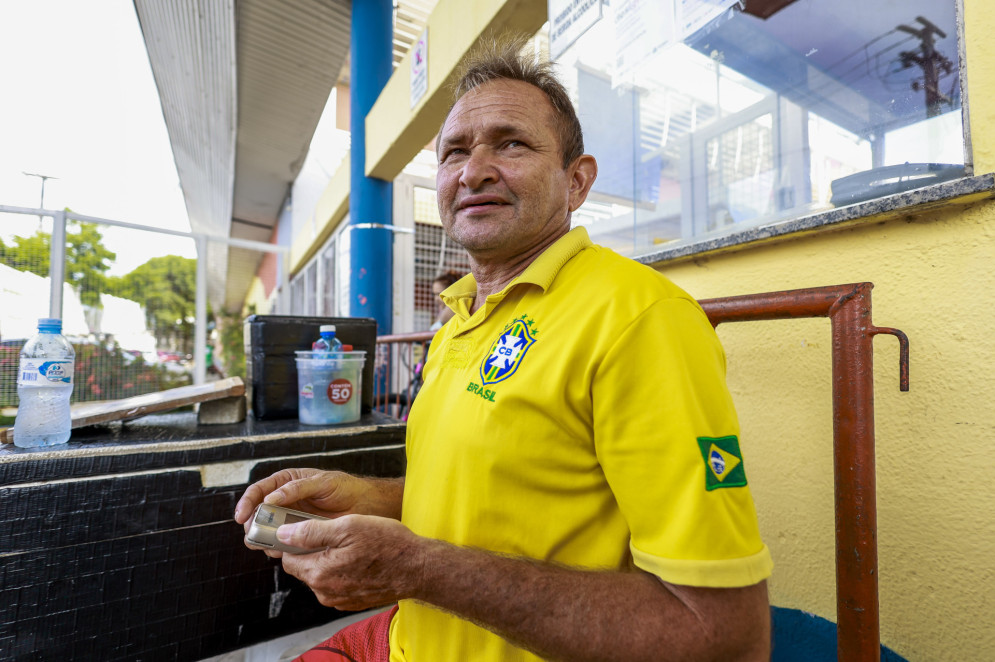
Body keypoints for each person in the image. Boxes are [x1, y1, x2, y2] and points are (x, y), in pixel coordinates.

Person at [235, 35, 773, 662]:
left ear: (577, 181)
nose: (473, 171)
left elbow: (726, 637)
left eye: (511, 143)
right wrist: (368, 498)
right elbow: (502, 488)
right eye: (455, 152)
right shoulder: (459, 319)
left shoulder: (640, 318)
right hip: (402, 642)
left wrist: (418, 569)